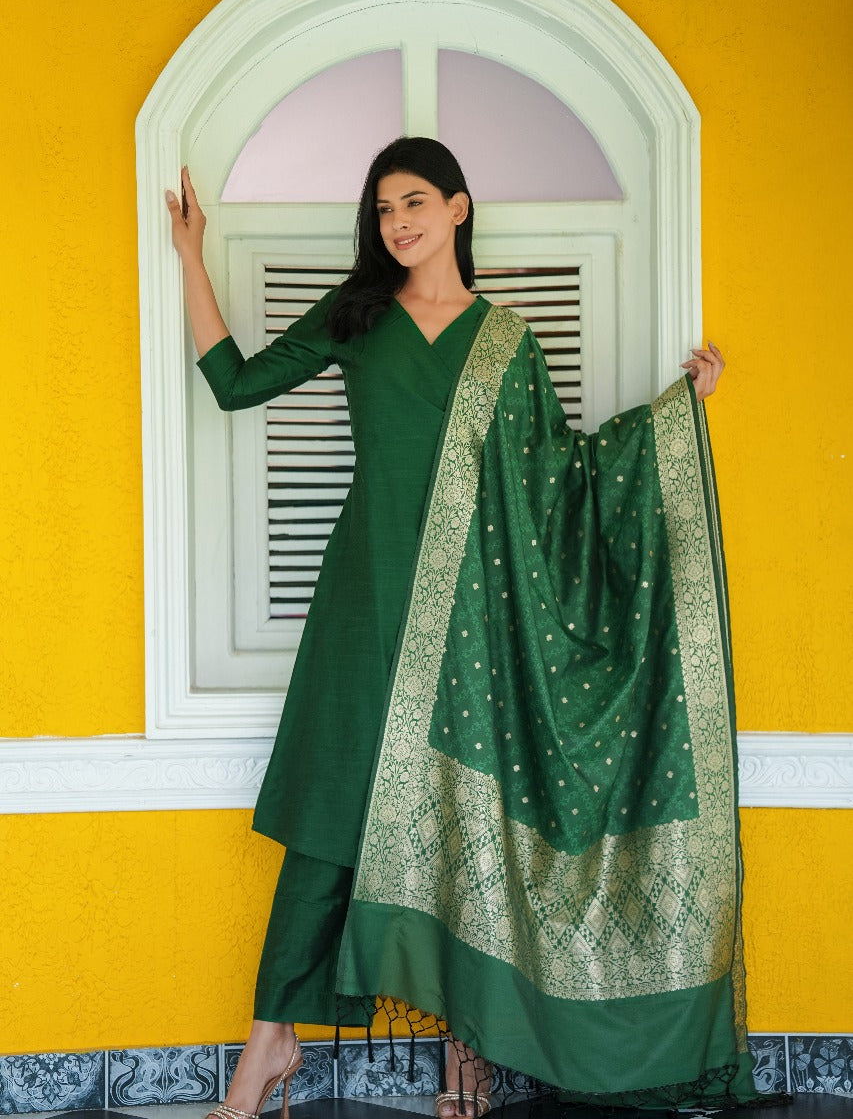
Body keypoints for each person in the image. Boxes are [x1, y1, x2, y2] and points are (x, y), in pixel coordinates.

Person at [166, 137, 751, 1119]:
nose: (397, 221)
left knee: (466, 820)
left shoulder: (507, 343)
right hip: (363, 606)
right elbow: (234, 383)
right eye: (384, 208)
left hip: (468, 625)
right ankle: (267, 1044)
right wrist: (192, 257)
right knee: (327, 827)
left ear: (458, 207)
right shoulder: (355, 317)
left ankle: (463, 1051)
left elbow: (561, 476)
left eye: (414, 202)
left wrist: (675, 413)